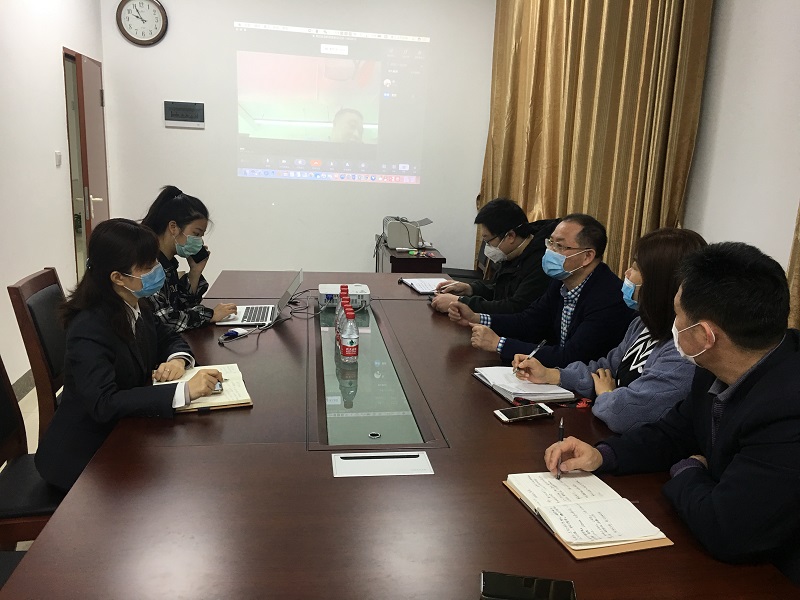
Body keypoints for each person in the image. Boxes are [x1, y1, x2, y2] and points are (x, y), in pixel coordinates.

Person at [544, 242, 800, 585]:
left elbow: (727, 529)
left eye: (678, 314)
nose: (672, 323)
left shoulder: (788, 407)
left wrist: (687, 469)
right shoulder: (715, 367)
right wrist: (603, 455)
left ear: (705, 336)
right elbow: (672, 433)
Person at [35, 219, 224, 492]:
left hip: (123, 433)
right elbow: (103, 404)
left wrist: (177, 359)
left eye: (155, 262)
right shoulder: (89, 326)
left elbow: (167, 336)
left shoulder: (134, 302)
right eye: (147, 267)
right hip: (87, 457)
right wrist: (182, 391)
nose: (157, 270)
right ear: (118, 277)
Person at [514, 228, 707, 432]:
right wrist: (551, 375)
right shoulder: (642, 324)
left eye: (635, 268)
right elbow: (605, 369)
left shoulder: (683, 351)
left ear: (660, 283)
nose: (627, 274)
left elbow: (625, 413)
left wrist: (606, 394)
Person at [448, 213, 634, 367]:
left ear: (587, 256)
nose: (550, 251)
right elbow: (528, 321)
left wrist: (499, 344)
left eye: (559, 245)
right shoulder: (561, 282)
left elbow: (571, 357)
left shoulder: (608, 298)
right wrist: (476, 317)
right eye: (550, 243)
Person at [430, 198, 557, 314]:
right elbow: (501, 292)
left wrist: (460, 302)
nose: (487, 246)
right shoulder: (513, 253)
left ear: (510, 236)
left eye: (488, 241)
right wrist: (470, 289)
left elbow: (515, 307)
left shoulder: (541, 261)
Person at [141, 185, 236, 332]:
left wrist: (195, 272)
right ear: (173, 227)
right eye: (196, 234)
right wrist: (210, 315)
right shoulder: (149, 264)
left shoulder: (169, 264)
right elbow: (166, 321)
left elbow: (184, 307)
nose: (200, 242)